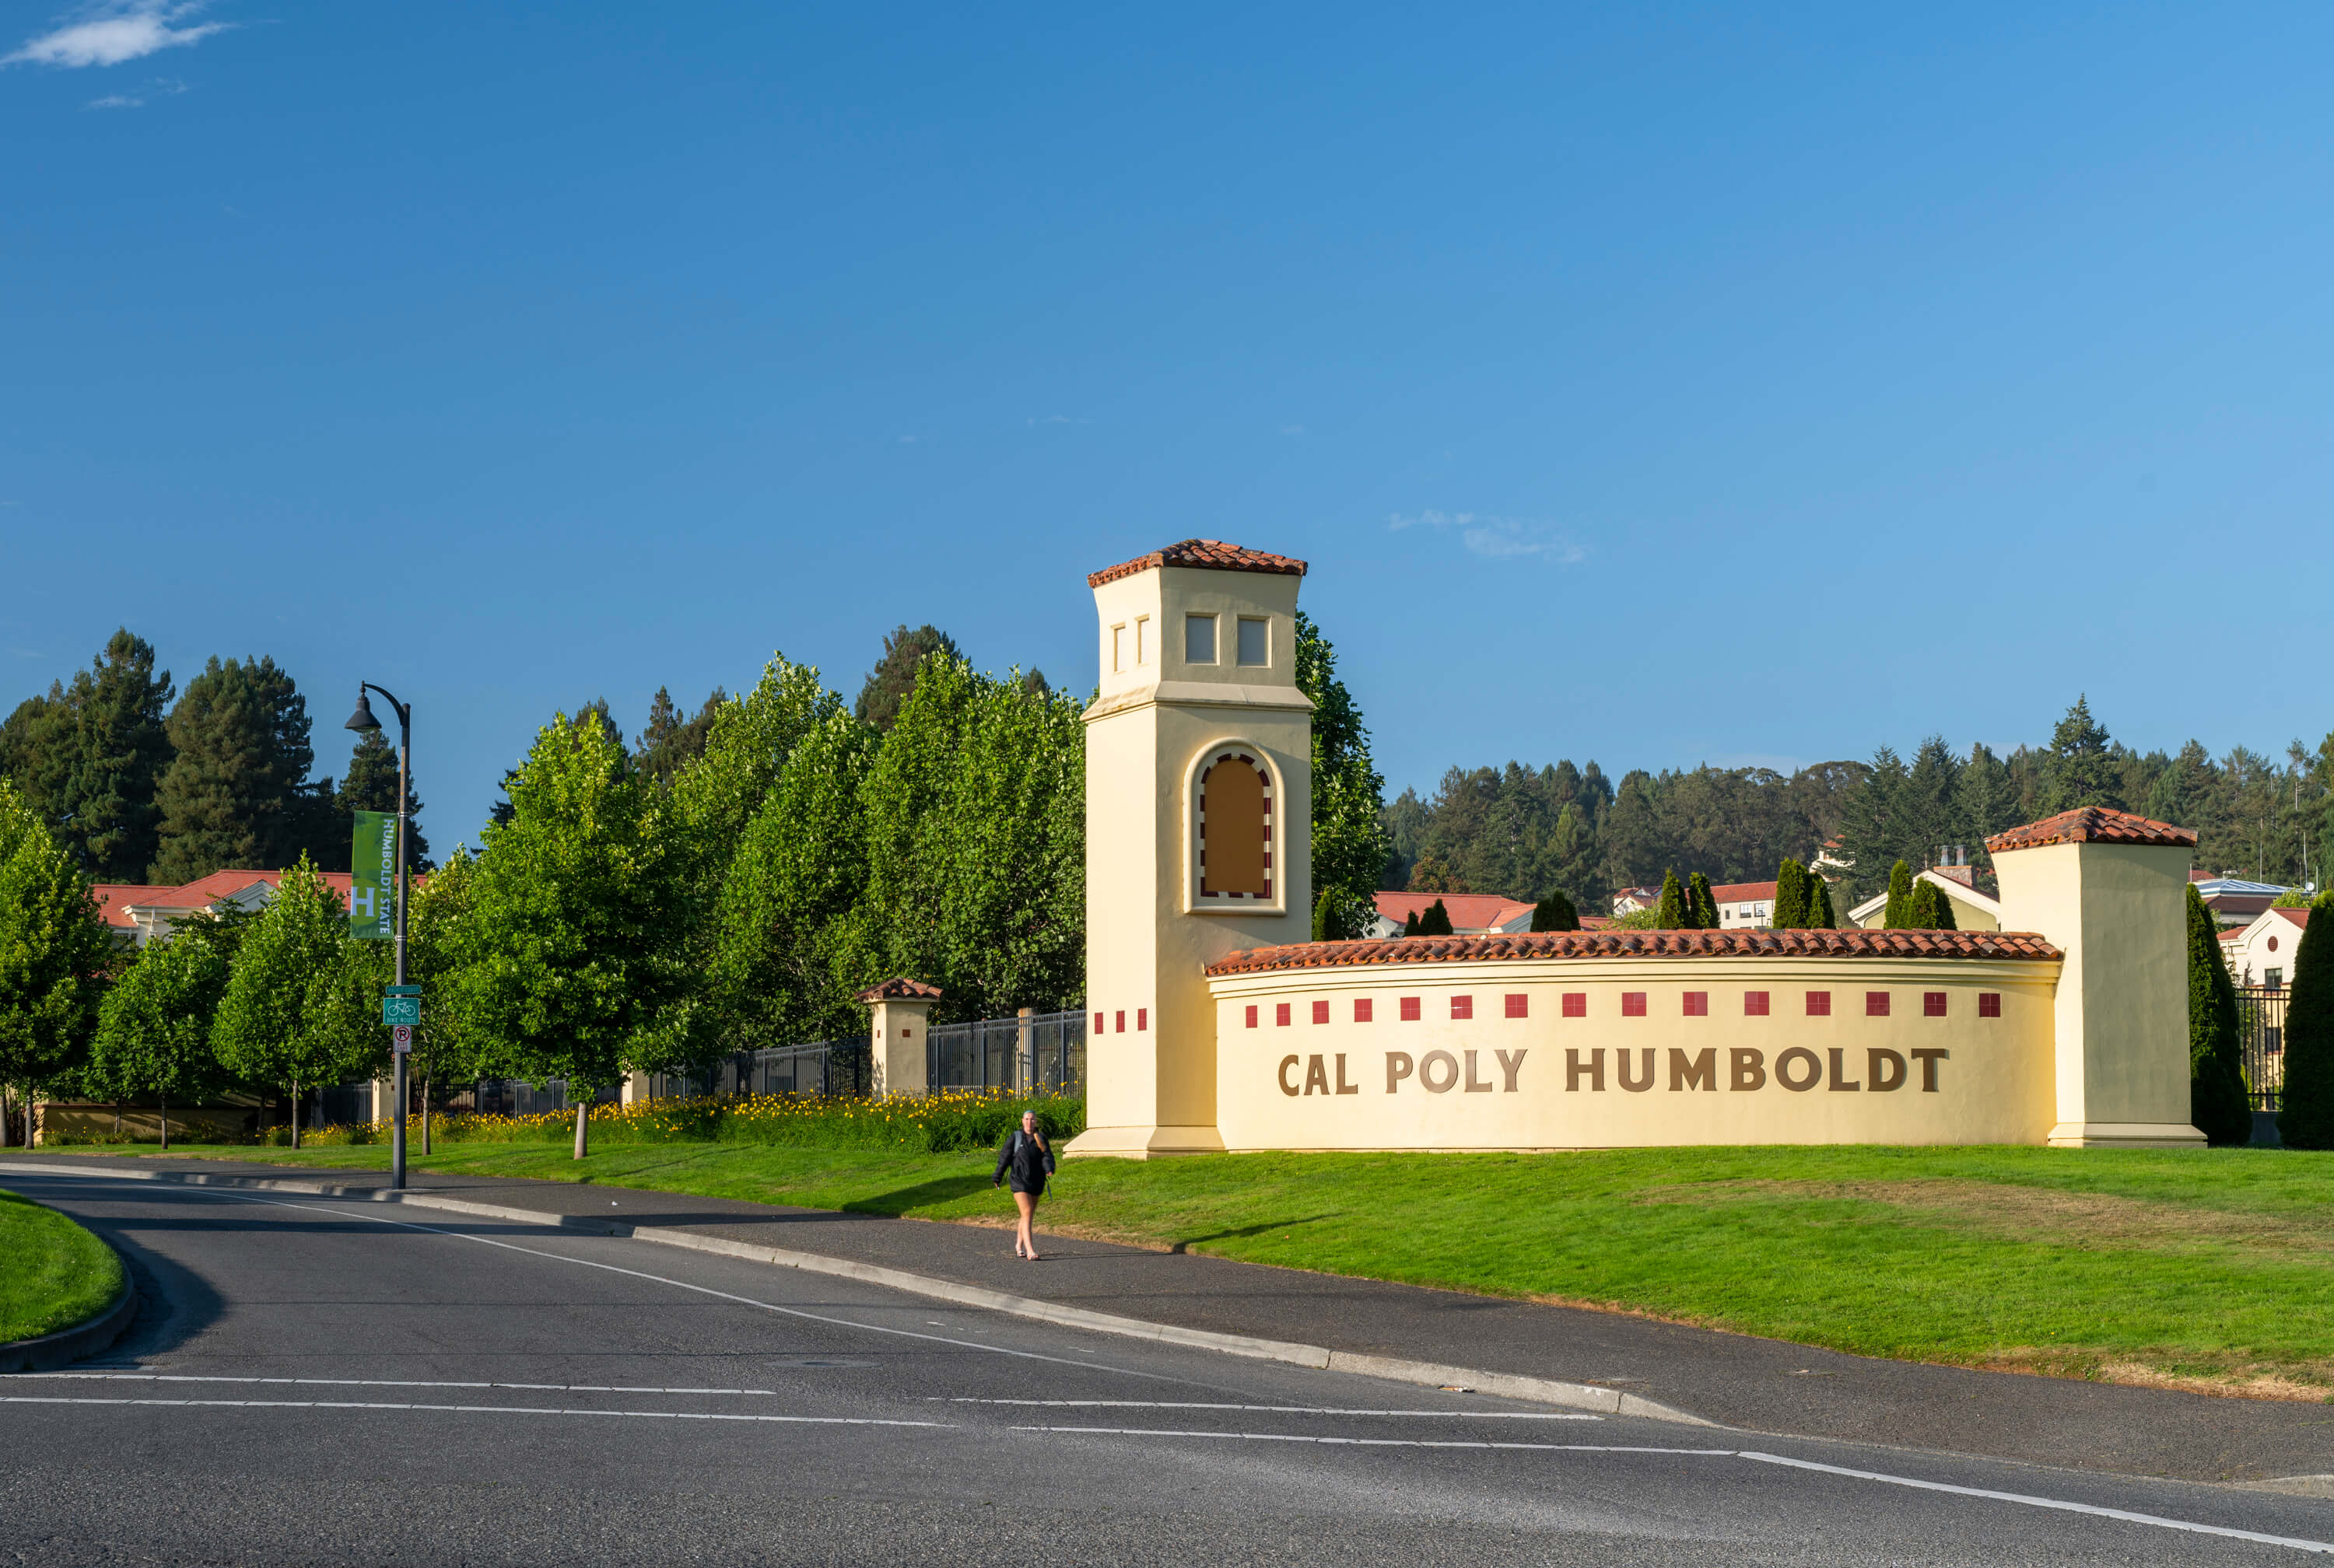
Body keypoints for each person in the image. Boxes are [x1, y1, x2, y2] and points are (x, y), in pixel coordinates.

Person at [992, 1109, 1056, 1261]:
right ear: (1022, 1121)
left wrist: (1049, 1169)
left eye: (1032, 1119)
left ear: (1036, 1122)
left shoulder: (1040, 1138)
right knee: (1027, 1211)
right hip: (1019, 1181)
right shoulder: (1016, 1137)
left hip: (1036, 1182)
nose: (1030, 1122)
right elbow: (1004, 1158)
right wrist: (997, 1177)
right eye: (1027, 1119)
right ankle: (1030, 1250)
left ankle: (1018, 1246)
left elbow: (1047, 1156)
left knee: (1027, 1214)